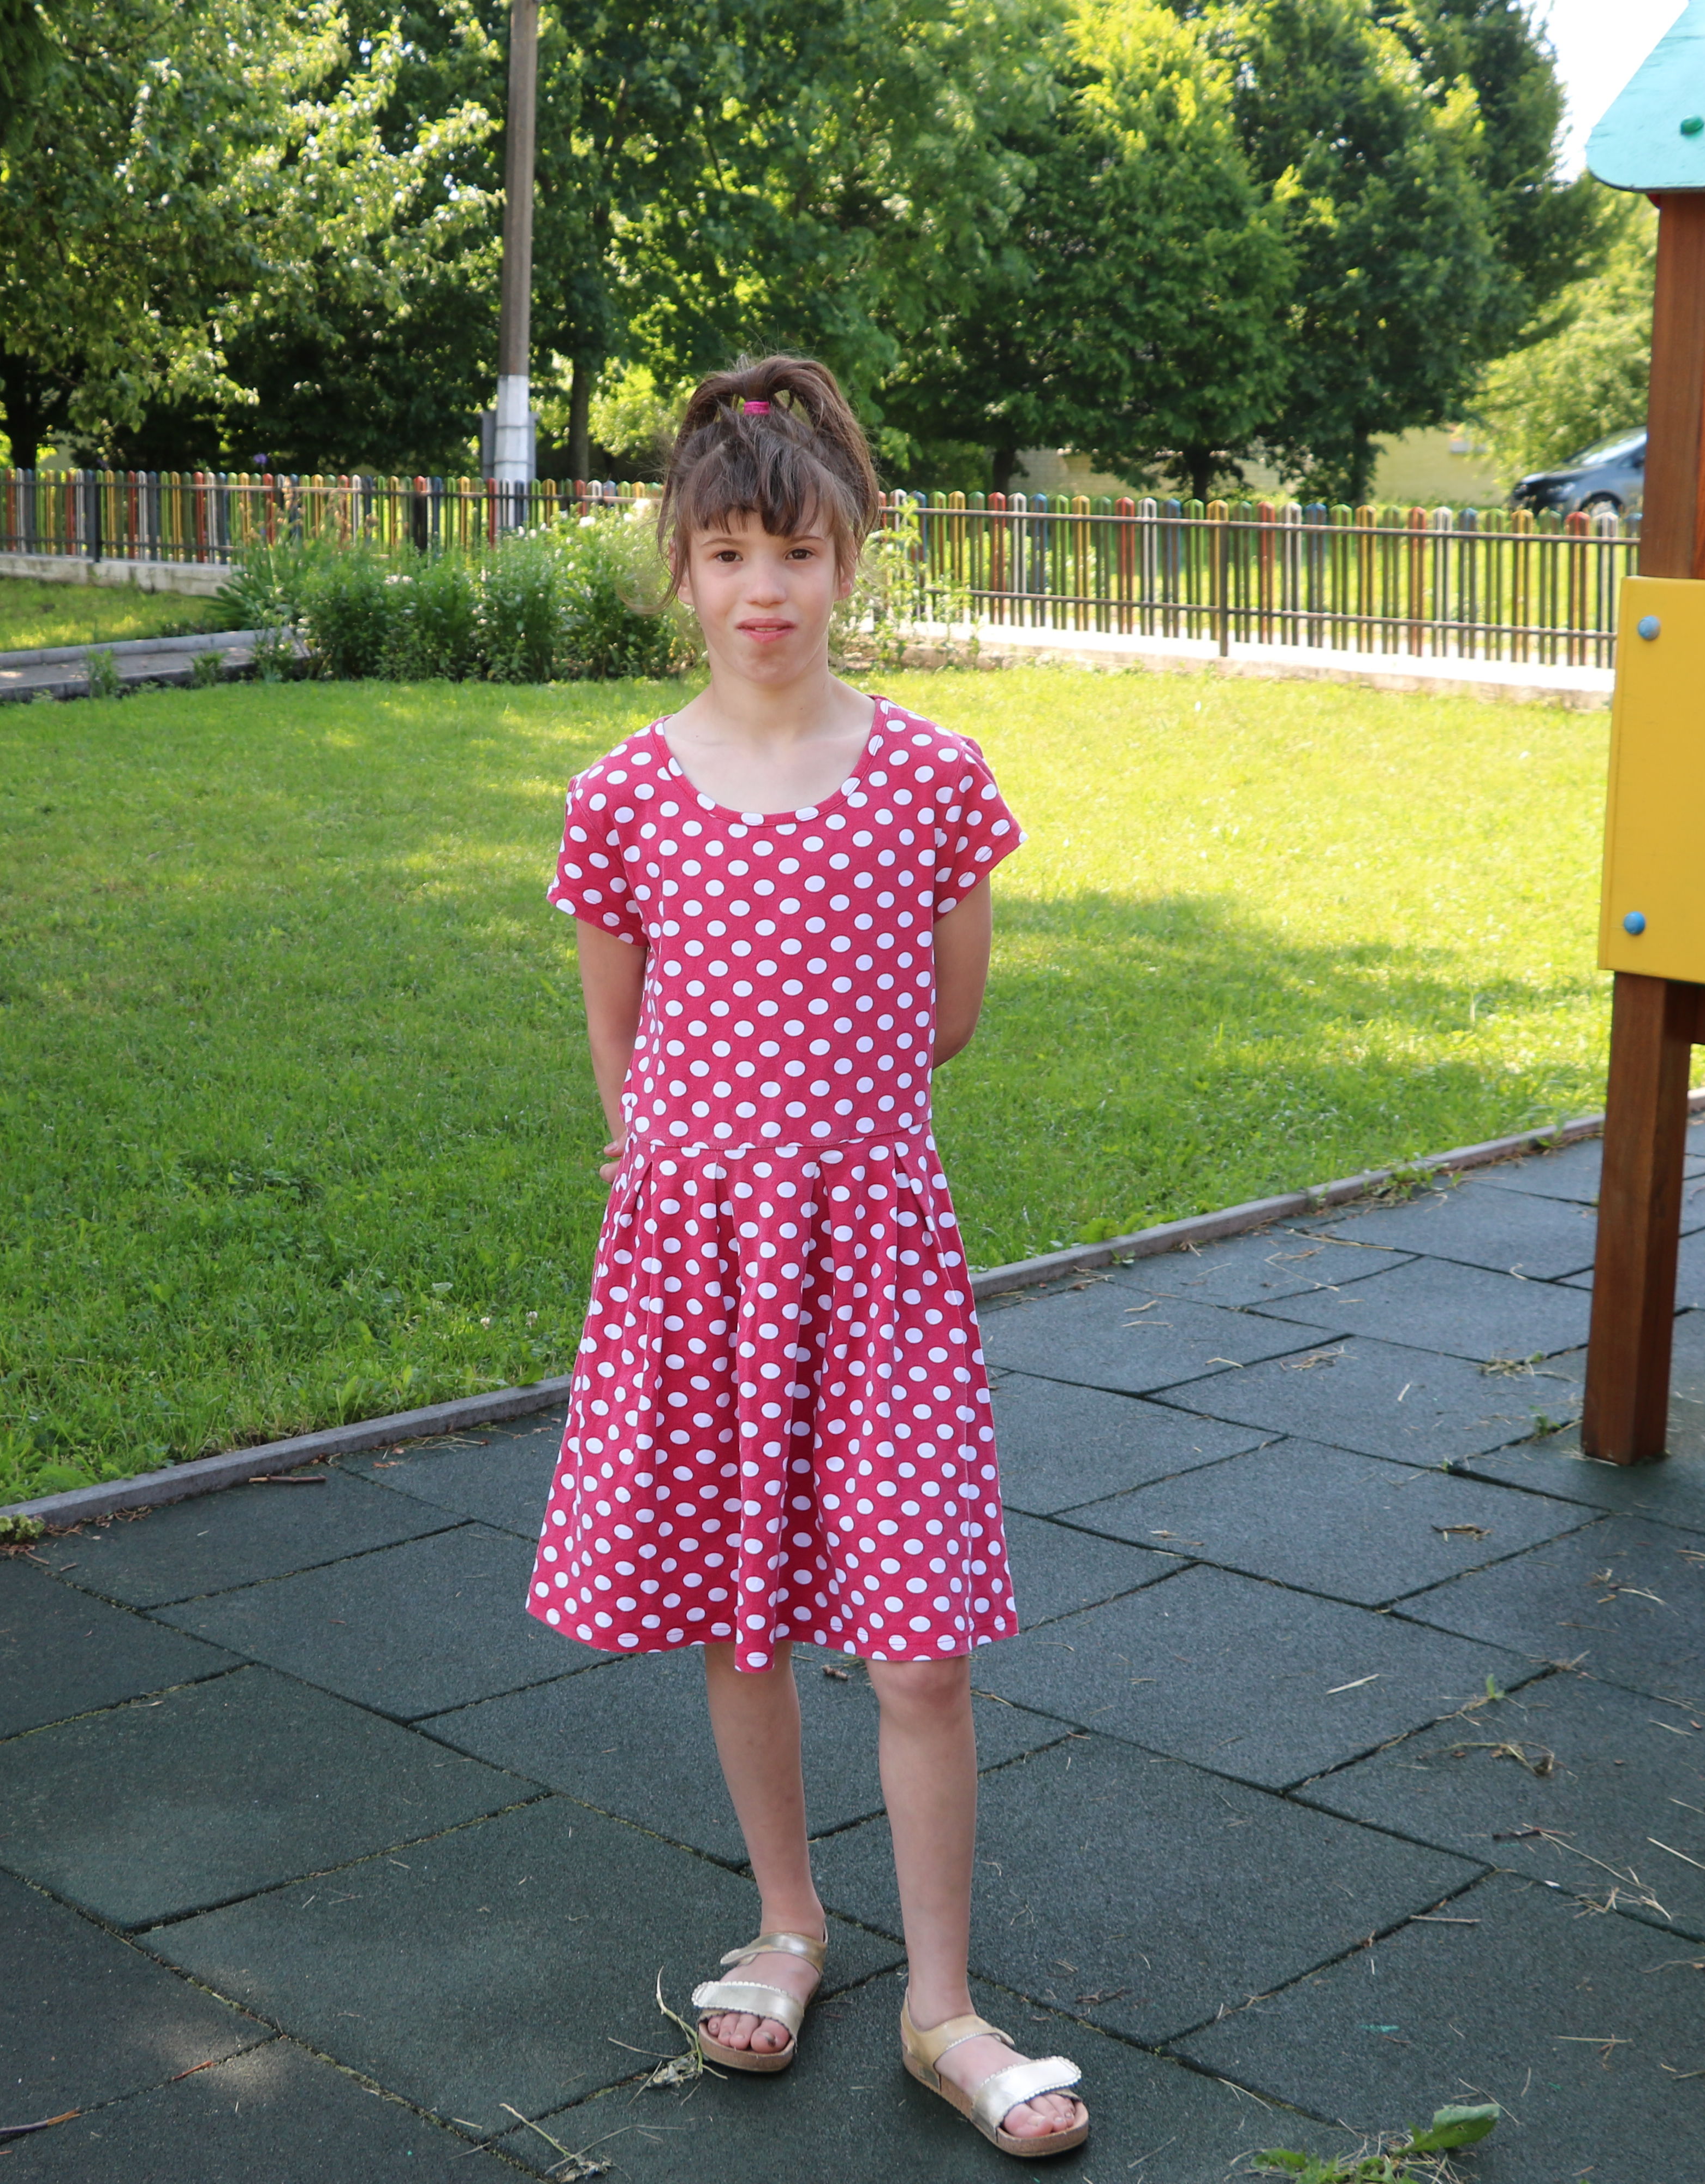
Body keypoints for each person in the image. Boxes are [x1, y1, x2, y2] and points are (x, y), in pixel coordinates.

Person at [527, 354, 1089, 2159]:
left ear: (850, 562)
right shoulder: (624, 794)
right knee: (740, 1605)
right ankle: (788, 1922)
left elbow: (946, 1021)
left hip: (876, 1262)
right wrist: (697, 1180)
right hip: (698, 1263)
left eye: (797, 552)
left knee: (921, 1652)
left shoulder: (932, 779)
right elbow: (621, 1047)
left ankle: (944, 2008)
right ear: (680, 571)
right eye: (727, 554)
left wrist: (816, 1157)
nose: (762, 588)